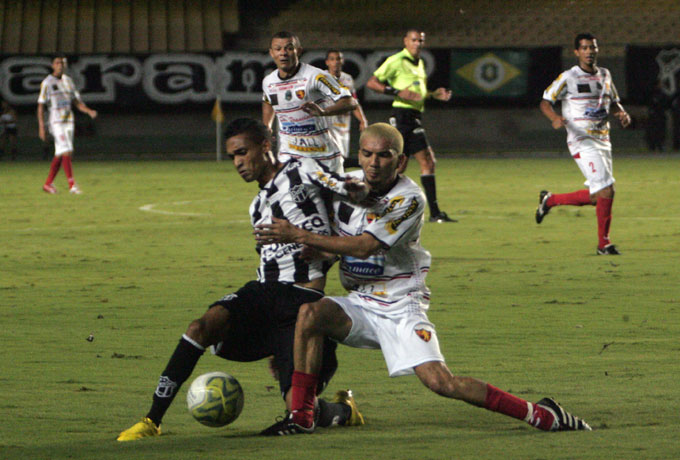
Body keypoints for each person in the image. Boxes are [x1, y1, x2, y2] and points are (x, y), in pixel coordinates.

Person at [255, 123, 592, 435]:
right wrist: (325, 253)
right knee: (309, 315)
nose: (374, 163)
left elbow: (364, 246)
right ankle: (301, 417)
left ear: (400, 162)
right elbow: (344, 242)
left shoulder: (409, 199)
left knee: (441, 383)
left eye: (384, 155)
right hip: (359, 302)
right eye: (367, 154)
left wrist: (300, 235)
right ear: (358, 155)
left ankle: (542, 414)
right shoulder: (348, 187)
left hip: (401, 305)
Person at [117, 118, 367, 441]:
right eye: (233, 156)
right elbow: (270, 265)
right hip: (265, 295)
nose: (237, 163)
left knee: (299, 408)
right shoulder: (257, 206)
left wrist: (331, 252)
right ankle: (151, 420)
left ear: (266, 146)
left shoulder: (301, 171)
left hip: (303, 303)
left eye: (242, 152)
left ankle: (345, 411)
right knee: (200, 328)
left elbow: (352, 195)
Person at [537, 33, 631, 255]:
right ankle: (603, 244)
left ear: (597, 50)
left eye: (592, 47)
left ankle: (550, 201)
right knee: (607, 189)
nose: (589, 51)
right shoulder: (568, 77)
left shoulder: (606, 75)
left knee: (597, 195)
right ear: (577, 52)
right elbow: (545, 102)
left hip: (603, 140)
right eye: (585, 48)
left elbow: (614, 102)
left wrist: (622, 113)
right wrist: (555, 118)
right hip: (581, 140)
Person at [366, 29, 454, 223]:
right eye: (414, 40)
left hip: (414, 115)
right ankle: (374, 205)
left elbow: (416, 92)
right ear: (405, 41)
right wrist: (395, 91)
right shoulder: (397, 60)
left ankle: (435, 213)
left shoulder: (419, 63)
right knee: (401, 164)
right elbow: (372, 82)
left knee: (419, 163)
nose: (418, 44)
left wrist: (432, 95)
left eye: (421, 40)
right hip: (402, 115)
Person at [262, 31, 358, 174]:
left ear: (298, 51)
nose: (283, 53)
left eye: (289, 48)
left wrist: (323, 112)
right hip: (290, 158)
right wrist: (267, 126)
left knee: (333, 197)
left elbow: (350, 102)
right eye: (278, 49)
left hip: (323, 158)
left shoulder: (316, 76)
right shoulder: (269, 82)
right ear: (271, 53)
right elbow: (268, 100)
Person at [37, 54, 97, 194]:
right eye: (58, 62)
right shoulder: (47, 83)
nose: (60, 65)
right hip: (55, 122)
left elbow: (76, 102)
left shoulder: (68, 81)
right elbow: (40, 106)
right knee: (67, 150)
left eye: (63, 63)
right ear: (53, 65)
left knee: (60, 154)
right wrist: (41, 127)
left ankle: (48, 184)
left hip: (68, 121)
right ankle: (72, 185)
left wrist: (88, 111)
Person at [325, 49, 368, 167]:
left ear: (342, 61)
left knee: (341, 159)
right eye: (332, 59)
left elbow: (354, 102)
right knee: (336, 157)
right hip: (328, 123)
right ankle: (362, 164)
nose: (336, 62)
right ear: (327, 62)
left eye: (338, 59)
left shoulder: (348, 79)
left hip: (343, 124)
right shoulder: (321, 78)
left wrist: (362, 120)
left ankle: (354, 169)